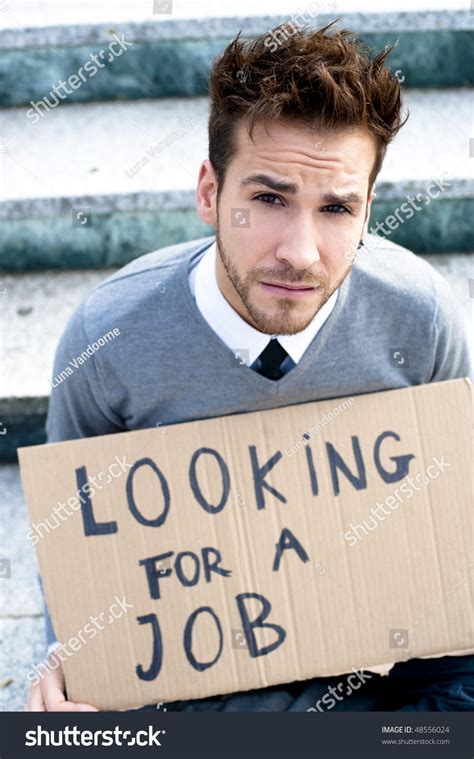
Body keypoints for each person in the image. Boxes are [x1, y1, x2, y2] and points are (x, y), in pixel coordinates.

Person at [26, 22, 472, 712]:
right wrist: (74, 671)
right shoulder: (108, 336)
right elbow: (73, 538)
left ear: (368, 211)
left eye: (335, 208)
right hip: (214, 670)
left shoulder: (420, 317)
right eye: (268, 199)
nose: (300, 251)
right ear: (209, 192)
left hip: (394, 663)